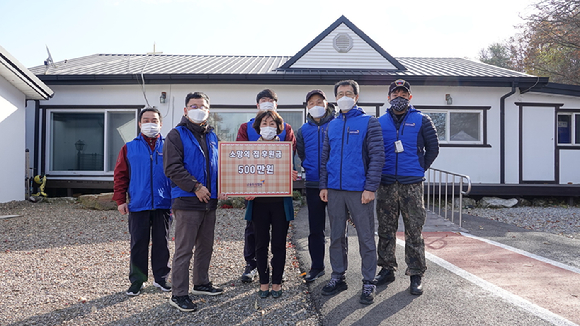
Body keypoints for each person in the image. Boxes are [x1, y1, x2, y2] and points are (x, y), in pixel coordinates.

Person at [319, 80, 384, 305]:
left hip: (359, 191)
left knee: (366, 237)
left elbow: (377, 157)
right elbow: (325, 158)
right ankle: (338, 276)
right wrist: (324, 185)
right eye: (340, 93)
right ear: (335, 98)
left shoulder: (369, 122)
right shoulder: (332, 125)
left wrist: (370, 188)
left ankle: (368, 281)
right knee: (336, 236)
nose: (344, 96)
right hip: (335, 190)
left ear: (356, 97)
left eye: (348, 93)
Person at [163, 92, 226, 312]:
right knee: (184, 249)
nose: (198, 109)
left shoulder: (212, 136)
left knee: (205, 247)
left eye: (202, 106)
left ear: (208, 111)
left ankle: (201, 283)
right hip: (187, 200)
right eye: (193, 105)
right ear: (185, 110)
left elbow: (219, 167)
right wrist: (196, 186)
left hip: (210, 201)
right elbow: (172, 168)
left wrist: (223, 188)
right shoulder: (176, 135)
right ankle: (178, 294)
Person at [375, 79, 439, 295]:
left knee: (414, 231)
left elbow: (433, 148)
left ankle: (416, 273)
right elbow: (373, 151)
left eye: (403, 94)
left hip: (412, 184)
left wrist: (419, 168)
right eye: (395, 94)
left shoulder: (422, 120)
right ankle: (386, 269)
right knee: (385, 229)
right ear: (389, 97)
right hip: (386, 184)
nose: (399, 98)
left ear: (410, 97)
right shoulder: (379, 122)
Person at [235, 89, 296, 283]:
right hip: (254, 191)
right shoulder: (246, 127)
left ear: (276, 105)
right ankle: (252, 264)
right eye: (263, 100)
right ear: (257, 105)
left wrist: (289, 174)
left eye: (271, 101)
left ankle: (278, 270)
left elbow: (289, 156)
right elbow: (239, 157)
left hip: (278, 191)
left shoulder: (285, 128)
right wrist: (246, 188)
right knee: (253, 230)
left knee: (279, 235)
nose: (267, 103)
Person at [113, 107, 172, 297]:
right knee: (138, 242)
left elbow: (176, 174)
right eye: (146, 120)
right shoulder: (129, 147)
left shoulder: (169, 146)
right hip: (138, 204)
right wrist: (121, 200)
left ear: (161, 124)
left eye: (154, 120)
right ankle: (137, 280)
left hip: (164, 204)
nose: (150, 123)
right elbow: (120, 176)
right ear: (139, 124)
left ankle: (161, 278)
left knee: (162, 242)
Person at [295, 89, 336, 283]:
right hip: (313, 184)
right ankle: (317, 266)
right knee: (315, 229)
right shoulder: (303, 130)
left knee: (338, 229)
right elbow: (302, 154)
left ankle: (339, 270)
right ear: (307, 107)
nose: (315, 106)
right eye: (311, 103)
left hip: (336, 184)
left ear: (326, 104)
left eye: (319, 102)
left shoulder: (337, 124)